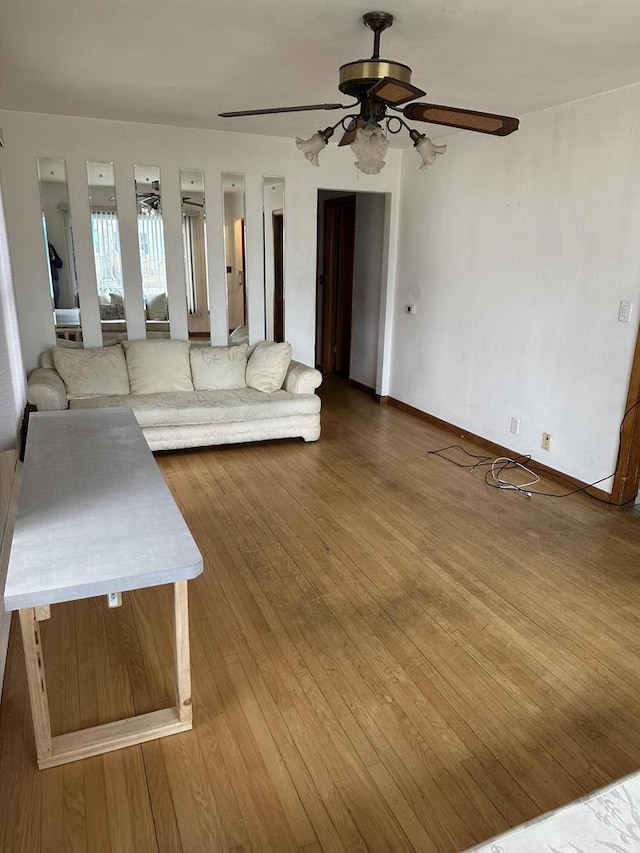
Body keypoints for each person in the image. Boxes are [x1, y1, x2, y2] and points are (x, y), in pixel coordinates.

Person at [48, 242, 63, 308]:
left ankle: (55, 308)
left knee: (56, 294)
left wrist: (53, 258)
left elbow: (59, 264)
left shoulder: (49, 247)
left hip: (53, 277)